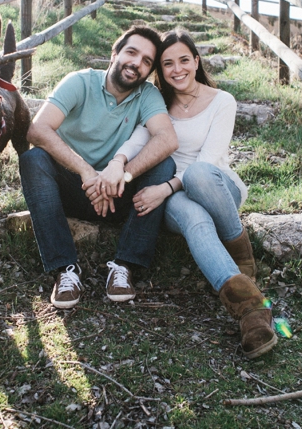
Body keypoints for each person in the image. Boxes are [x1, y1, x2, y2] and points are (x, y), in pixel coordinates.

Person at [106, 29, 277, 359]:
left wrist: (165, 187)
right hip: (175, 199)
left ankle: (239, 248)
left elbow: (208, 161)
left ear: (197, 62)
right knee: (194, 218)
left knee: (198, 173)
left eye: (184, 60)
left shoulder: (222, 101)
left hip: (215, 187)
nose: (177, 69)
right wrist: (119, 161)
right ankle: (251, 312)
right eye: (167, 63)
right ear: (161, 71)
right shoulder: (156, 104)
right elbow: (138, 141)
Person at [19, 25, 178, 310]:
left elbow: (167, 139)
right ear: (114, 52)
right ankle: (65, 270)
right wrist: (87, 171)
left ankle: (124, 265)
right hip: (73, 188)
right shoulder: (79, 82)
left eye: (146, 62)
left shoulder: (147, 95)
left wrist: (123, 174)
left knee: (164, 165)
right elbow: (37, 130)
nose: (136, 64)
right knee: (33, 159)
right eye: (131, 53)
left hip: (119, 193)